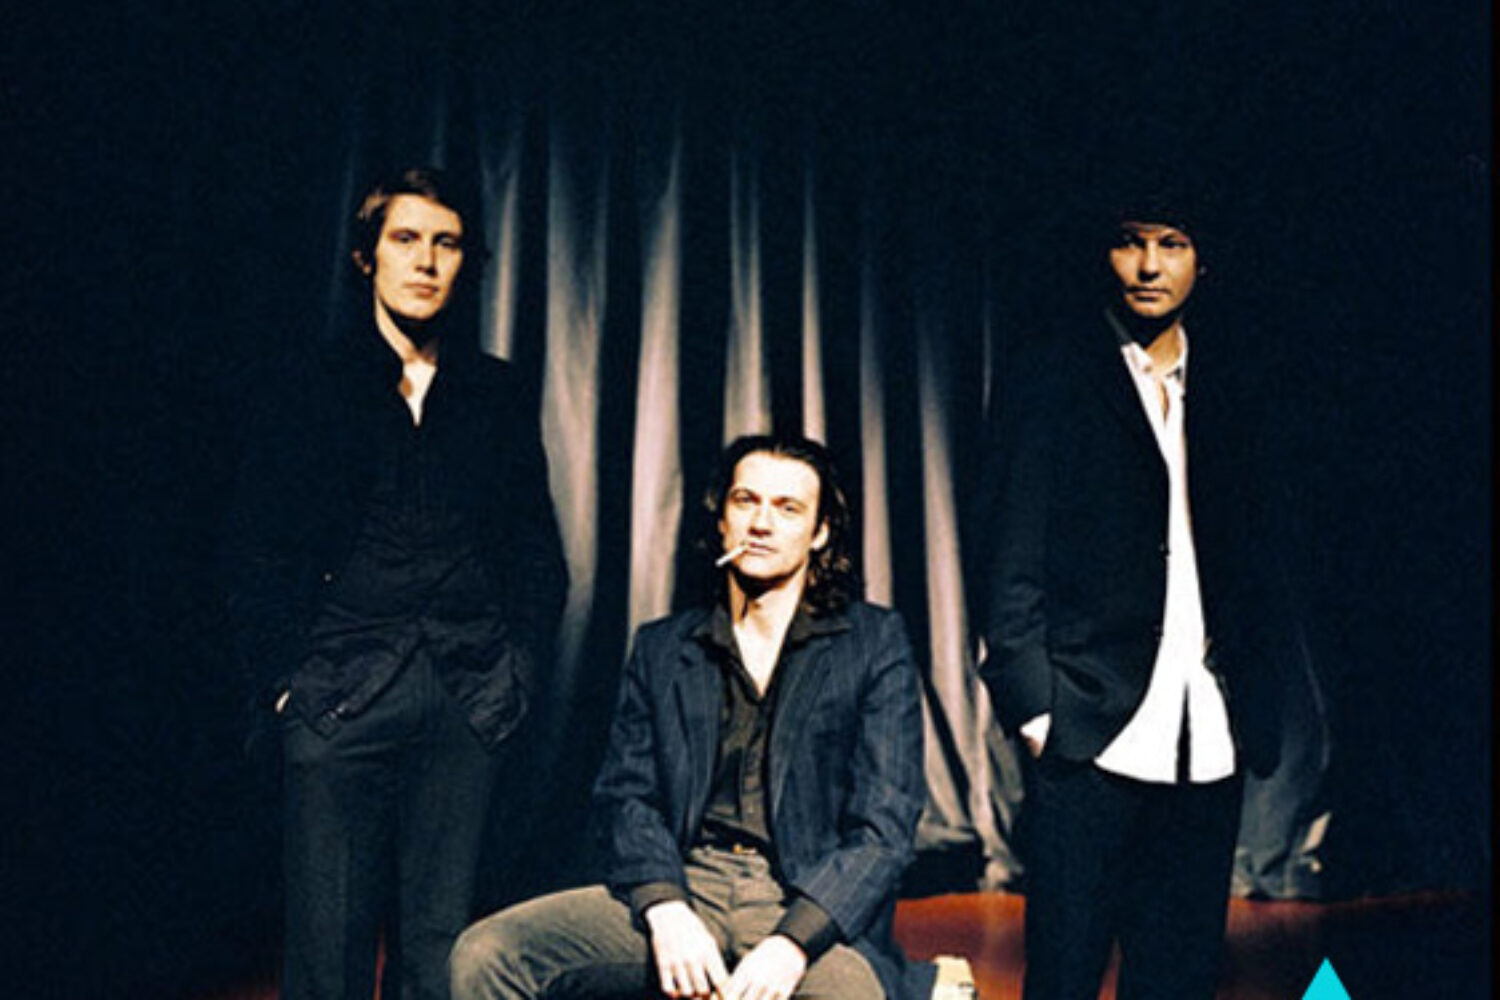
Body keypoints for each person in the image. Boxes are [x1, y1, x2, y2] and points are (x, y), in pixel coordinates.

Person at [226, 166, 567, 1000]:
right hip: (337, 695)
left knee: (443, 955)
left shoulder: (495, 392)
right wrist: (287, 686)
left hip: (467, 694)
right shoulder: (309, 384)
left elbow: (535, 553)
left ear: (466, 262)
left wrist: (516, 674)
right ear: (365, 256)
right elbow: (256, 549)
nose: (425, 260)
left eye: (446, 243)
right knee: (328, 954)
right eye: (406, 239)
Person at [451, 434, 934, 1000]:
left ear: (820, 533)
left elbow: (883, 830)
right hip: (684, 884)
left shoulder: (873, 643)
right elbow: (627, 798)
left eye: (787, 508)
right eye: (746, 501)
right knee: (487, 954)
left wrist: (793, 942)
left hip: (802, 900)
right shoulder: (663, 648)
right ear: (722, 520)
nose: (761, 523)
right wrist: (665, 907)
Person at [979, 178, 1282, 1000]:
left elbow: (1263, 557)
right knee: (1066, 973)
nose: (1149, 265)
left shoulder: (1236, 385)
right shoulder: (1054, 374)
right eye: (1131, 241)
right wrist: (1037, 710)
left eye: (1171, 244)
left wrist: (1259, 695)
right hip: (1090, 725)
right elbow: (1009, 551)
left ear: (1202, 261)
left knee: (1179, 974)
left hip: (1208, 727)